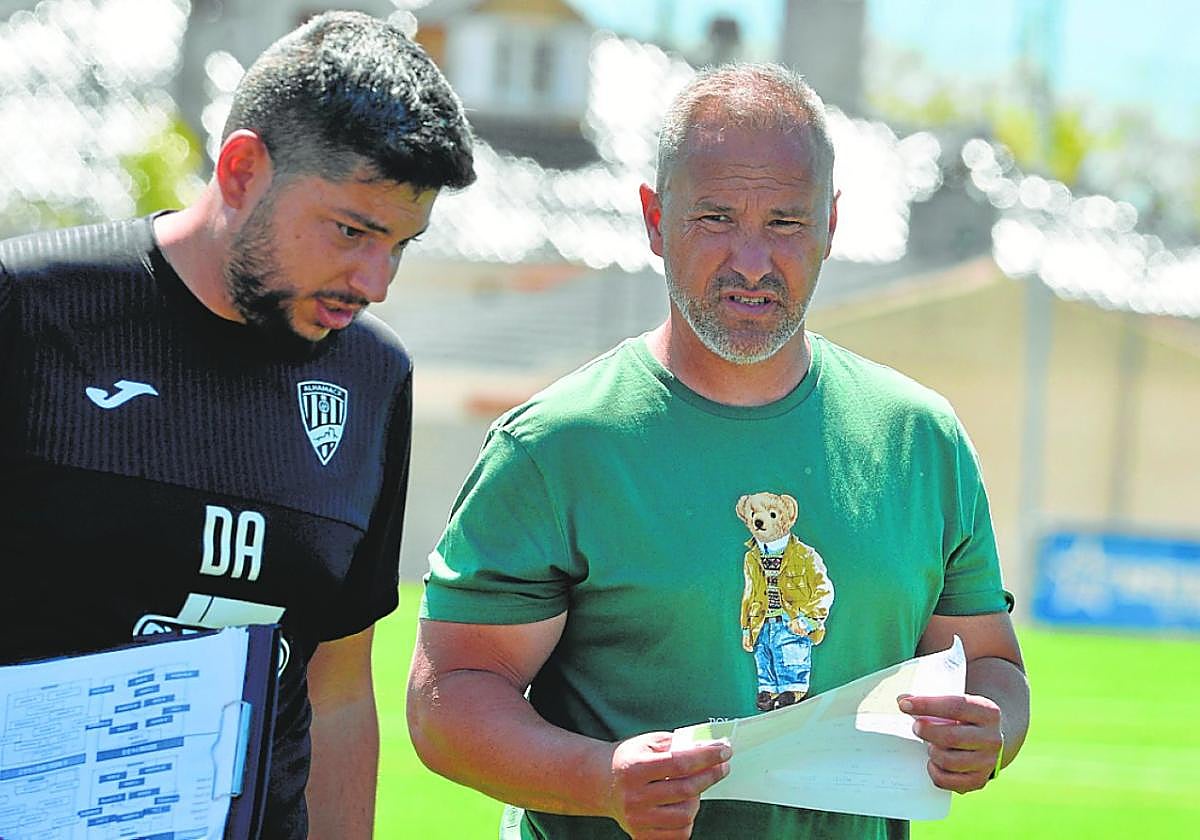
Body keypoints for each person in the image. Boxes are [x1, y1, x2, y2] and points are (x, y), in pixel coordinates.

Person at [407, 63, 1028, 839]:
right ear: (655, 220)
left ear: (831, 224)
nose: (752, 261)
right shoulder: (557, 445)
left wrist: (990, 730)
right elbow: (451, 695)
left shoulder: (920, 438)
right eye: (715, 217)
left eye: (785, 222)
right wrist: (601, 782)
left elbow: (993, 667)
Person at [0, 11, 473, 839]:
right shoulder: (31, 313)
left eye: (402, 244)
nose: (376, 280)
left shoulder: (371, 378)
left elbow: (337, 689)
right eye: (353, 231)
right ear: (244, 167)